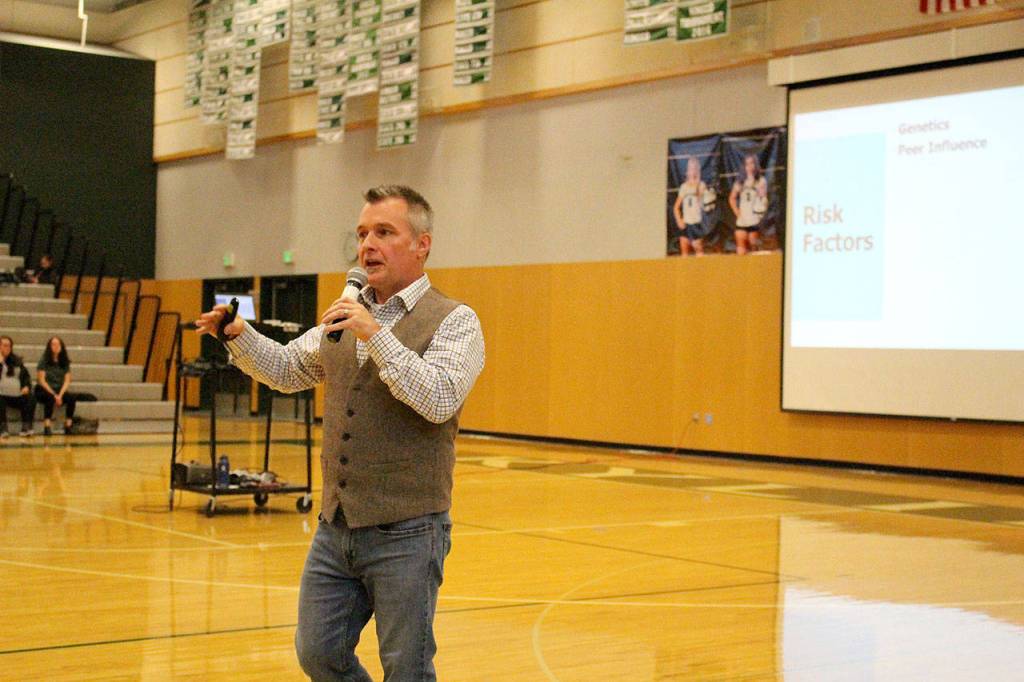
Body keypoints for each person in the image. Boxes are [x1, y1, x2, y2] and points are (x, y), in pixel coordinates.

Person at [196, 185, 485, 682]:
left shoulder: (455, 320)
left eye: (384, 232)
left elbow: (439, 399)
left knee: (407, 668)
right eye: (362, 233)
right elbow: (287, 369)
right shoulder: (345, 315)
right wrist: (239, 336)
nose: (367, 245)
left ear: (422, 245)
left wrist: (375, 334)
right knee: (318, 651)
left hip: (408, 530)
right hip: (336, 525)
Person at [35, 335, 78, 435]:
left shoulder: (65, 362)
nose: (56, 346)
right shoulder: (44, 360)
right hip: (44, 389)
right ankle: (47, 426)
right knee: (49, 398)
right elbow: (42, 380)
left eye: (58, 344)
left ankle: (68, 425)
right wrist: (54, 395)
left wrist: (60, 395)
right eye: (53, 344)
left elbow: (67, 381)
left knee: (72, 398)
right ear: (49, 347)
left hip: (59, 389)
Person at [729, 153, 768, 255]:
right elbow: (732, 198)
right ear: (744, 166)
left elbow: (763, 200)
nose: (750, 166)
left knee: (753, 246)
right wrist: (737, 212)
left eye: (752, 163)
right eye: (747, 164)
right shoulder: (740, 182)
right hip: (742, 221)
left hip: (754, 220)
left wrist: (761, 205)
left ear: (756, 165)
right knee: (741, 250)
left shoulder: (761, 181)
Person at [672, 156, 710, 256]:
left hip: (696, 223)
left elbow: (701, 200)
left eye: (694, 168)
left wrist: (696, 182)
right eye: (690, 168)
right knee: (684, 253)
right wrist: (679, 220)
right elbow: (676, 207)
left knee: (699, 251)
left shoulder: (701, 185)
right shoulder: (684, 187)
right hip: (686, 223)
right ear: (687, 170)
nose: (692, 170)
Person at [0, 335, 35, 437]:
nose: (7, 348)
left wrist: (26, 386)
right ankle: (3, 428)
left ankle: (26, 427)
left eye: (9, 346)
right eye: (4, 345)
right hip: (2, 395)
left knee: (31, 398)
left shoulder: (17, 361)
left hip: (17, 394)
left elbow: (26, 377)